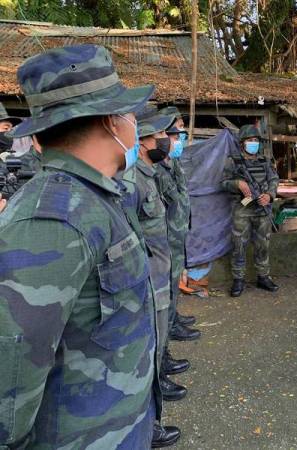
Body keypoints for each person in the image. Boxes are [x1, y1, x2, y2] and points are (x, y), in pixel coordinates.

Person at [0, 44, 157, 449]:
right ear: (111, 121)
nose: (134, 123)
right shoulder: (52, 219)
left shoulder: (95, 199)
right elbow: (10, 366)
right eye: (129, 113)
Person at [130, 107, 184, 447]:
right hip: (148, 284)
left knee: (155, 352)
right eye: (161, 136)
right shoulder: (133, 181)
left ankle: (149, 425)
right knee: (146, 359)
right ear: (143, 140)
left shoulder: (148, 174)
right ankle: (146, 429)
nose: (167, 141)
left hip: (161, 278)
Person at [154, 108, 201, 342]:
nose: (180, 139)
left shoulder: (172, 164)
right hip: (166, 236)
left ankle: (173, 318)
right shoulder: (157, 170)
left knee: (174, 281)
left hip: (176, 233)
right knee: (169, 284)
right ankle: (169, 325)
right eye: (176, 134)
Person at [220, 124, 279, 297]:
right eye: (250, 140)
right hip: (242, 209)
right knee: (239, 245)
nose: (254, 143)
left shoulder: (265, 161)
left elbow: (274, 179)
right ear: (242, 143)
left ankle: (263, 276)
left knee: (263, 245)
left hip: (262, 209)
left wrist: (269, 194)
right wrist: (237, 184)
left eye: (256, 141)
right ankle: (238, 279)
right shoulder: (233, 161)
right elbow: (222, 183)